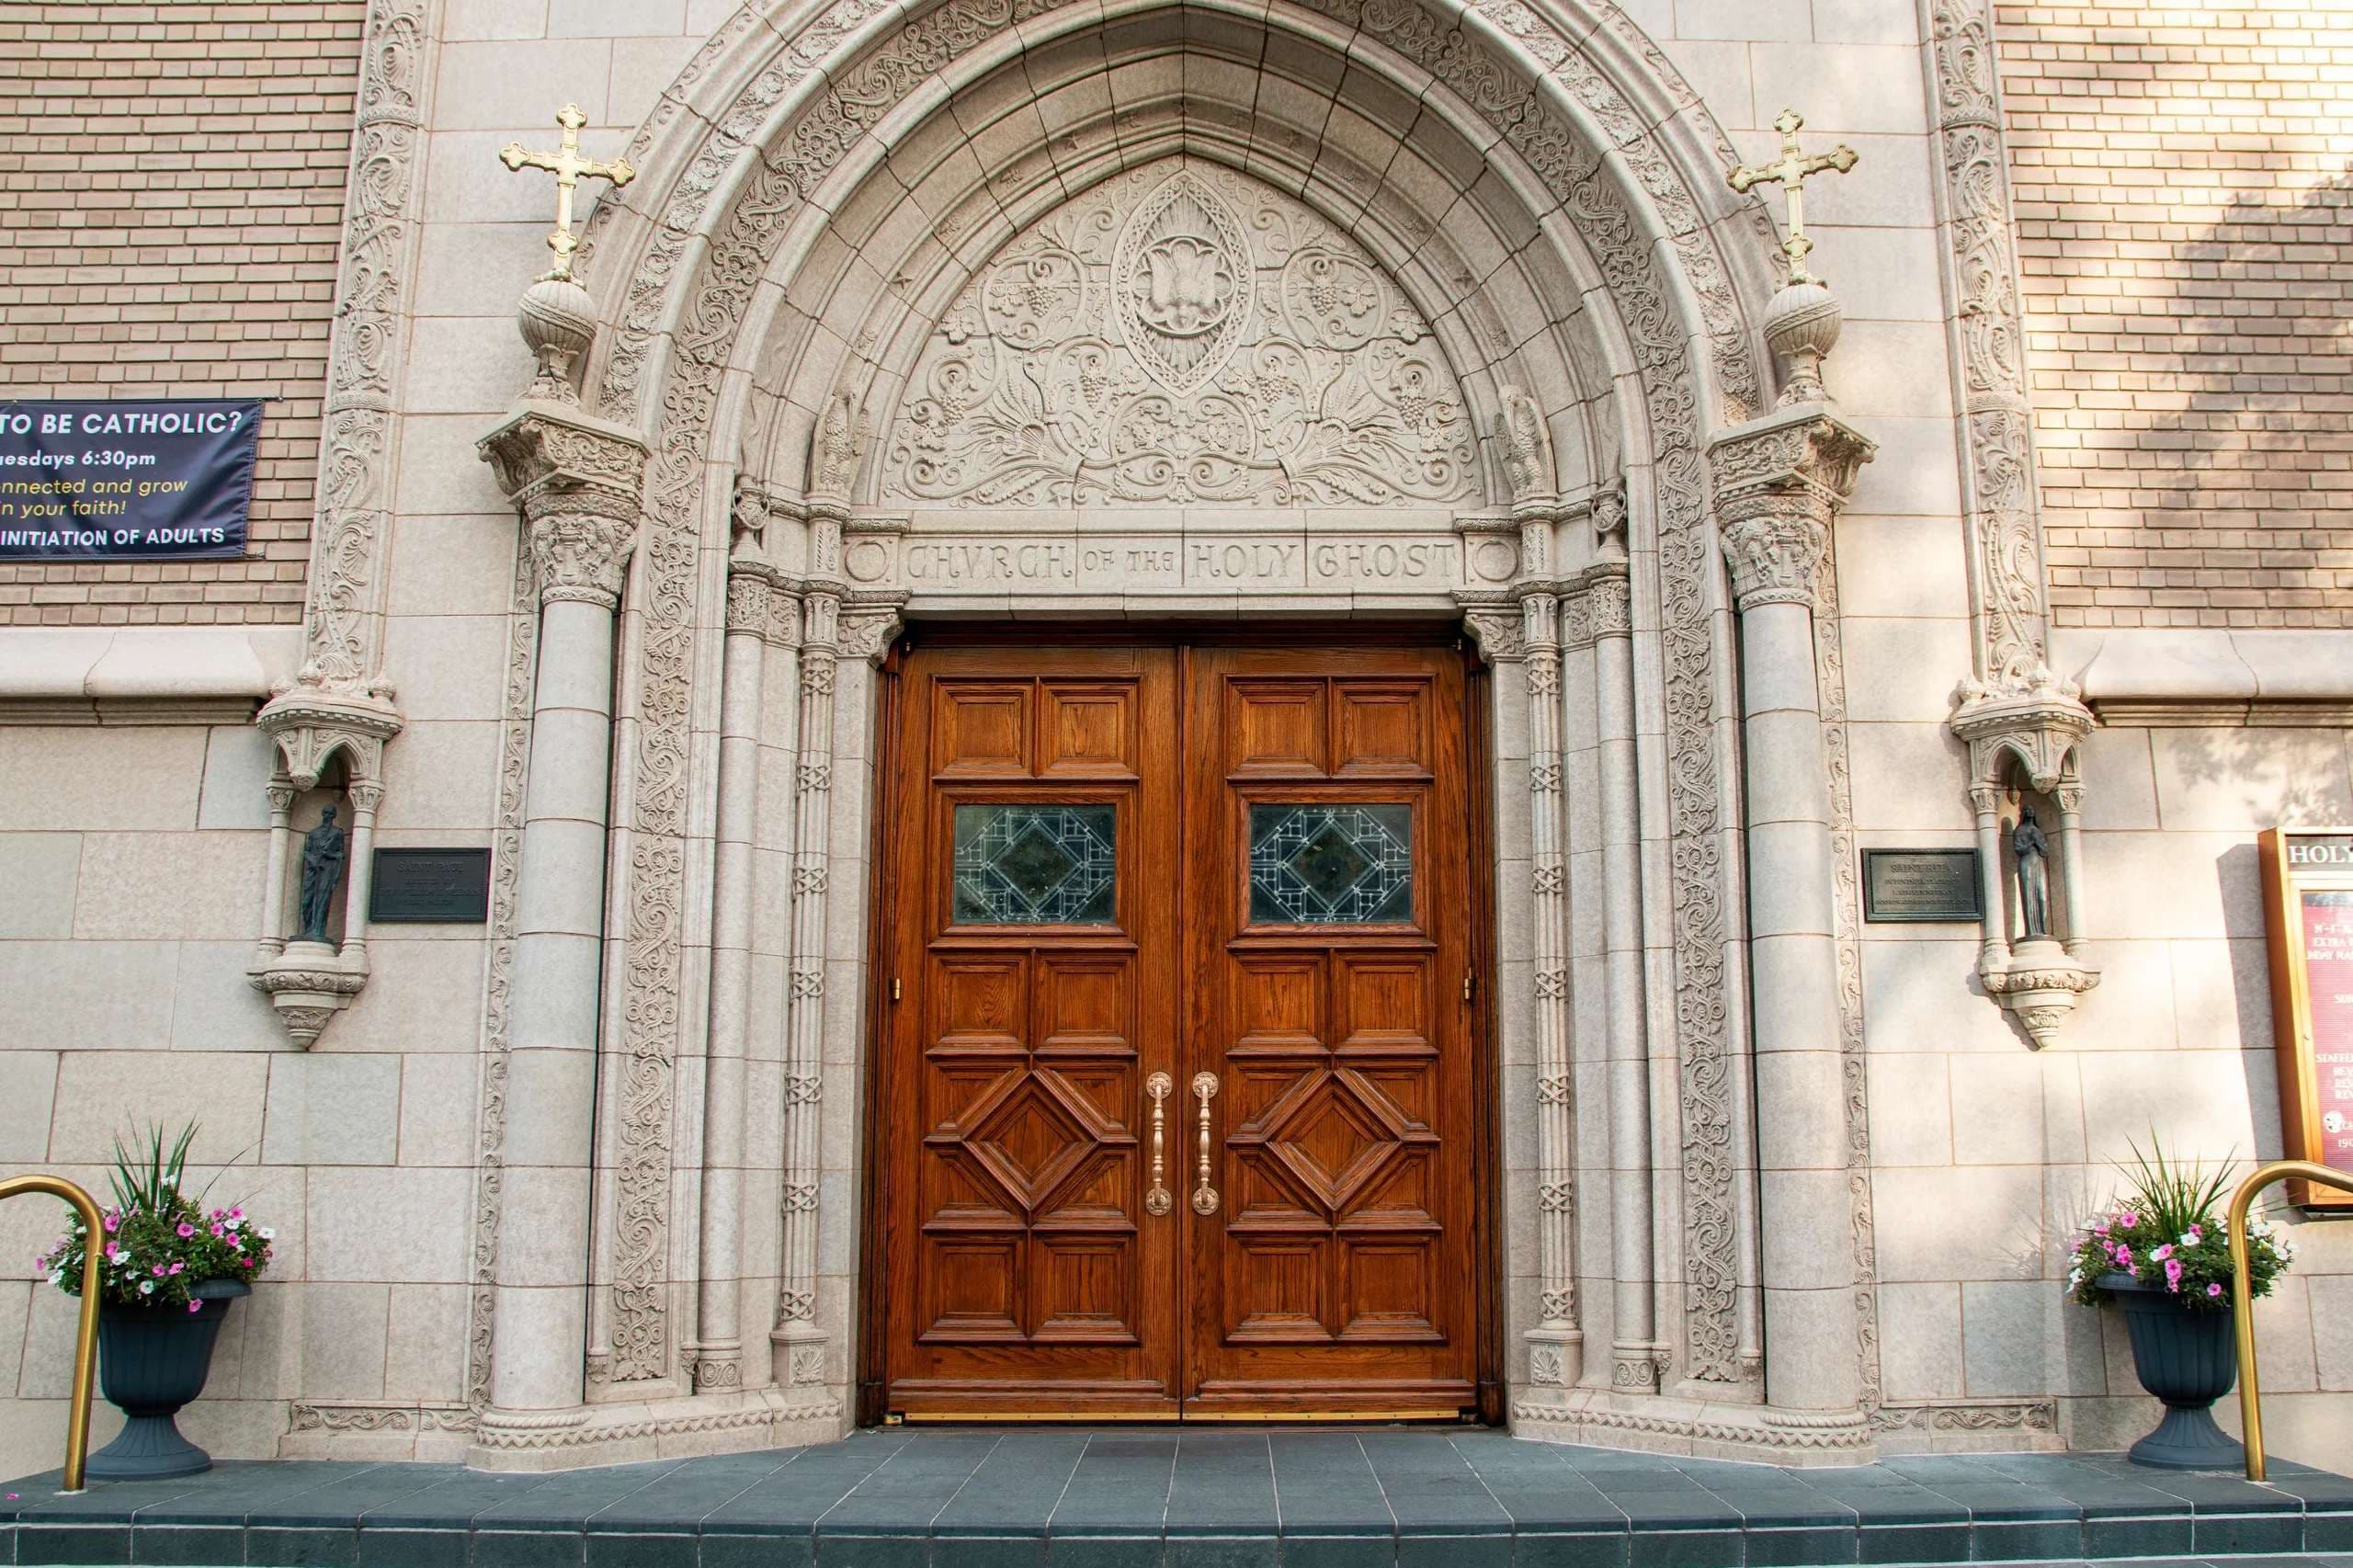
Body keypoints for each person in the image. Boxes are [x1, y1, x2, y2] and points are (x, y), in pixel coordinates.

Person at [298, 805, 347, 943]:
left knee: (322, 900)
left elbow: (340, 854)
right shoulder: (313, 833)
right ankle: (308, 929)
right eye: (325, 813)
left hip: (327, 869)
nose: (327, 816)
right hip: (313, 869)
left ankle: (318, 930)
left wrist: (329, 855)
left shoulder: (337, 833)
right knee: (307, 901)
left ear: (334, 816)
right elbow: (306, 851)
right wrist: (312, 859)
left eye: (330, 813)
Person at [2012, 802, 2052, 940]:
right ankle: (2030, 930)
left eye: (2032, 809)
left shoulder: (2038, 831)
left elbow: (2045, 852)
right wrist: (2031, 843)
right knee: (2028, 895)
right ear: (2023, 813)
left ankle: (2041, 929)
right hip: (2026, 862)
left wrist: (2038, 842)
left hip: (2038, 863)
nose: (2030, 812)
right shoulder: (2019, 831)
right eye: (2027, 810)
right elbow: (2018, 849)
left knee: (2041, 896)